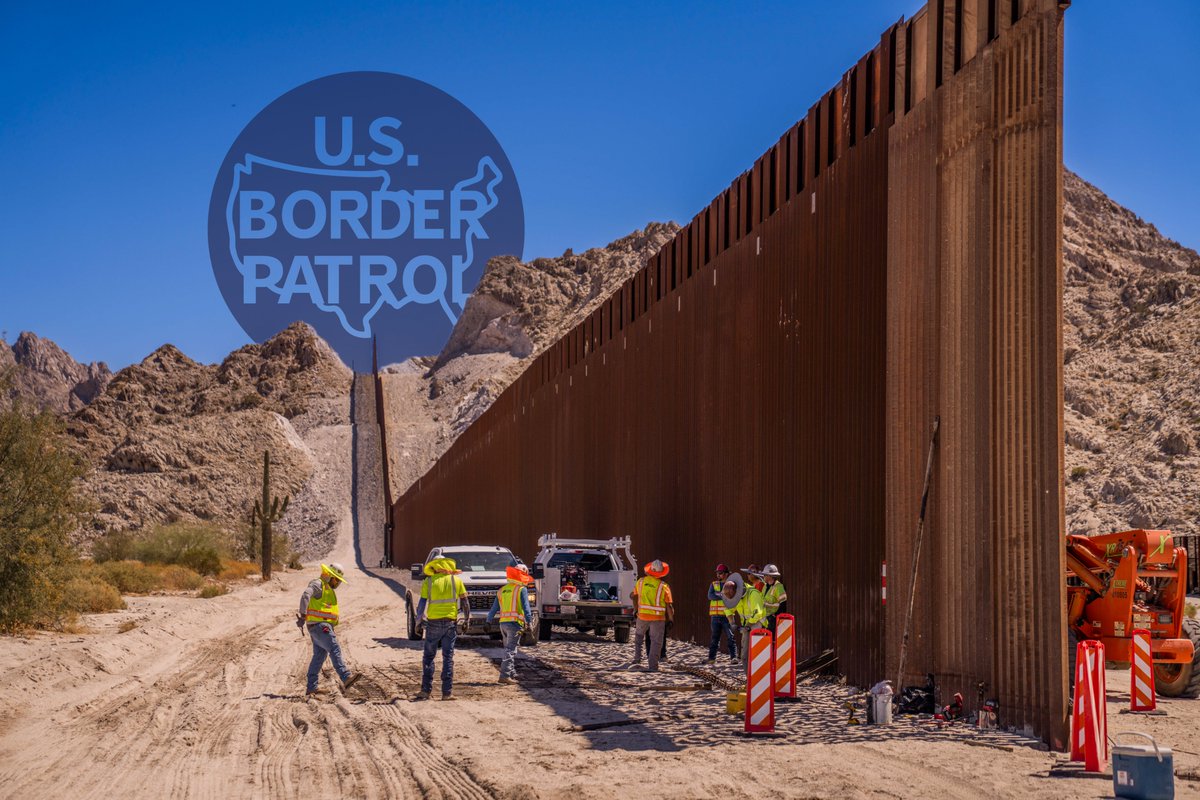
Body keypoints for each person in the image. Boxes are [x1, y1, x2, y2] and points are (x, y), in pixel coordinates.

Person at [297, 563, 361, 697]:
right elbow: (305, 595)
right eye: (336, 579)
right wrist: (303, 615)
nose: (338, 583)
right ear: (330, 576)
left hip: (317, 627)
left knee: (319, 657)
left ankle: (311, 687)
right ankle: (345, 677)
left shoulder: (327, 589)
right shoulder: (318, 584)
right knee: (334, 648)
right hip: (320, 626)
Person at [413, 556, 469, 701]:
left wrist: (418, 622)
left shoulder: (429, 581)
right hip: (450, 622)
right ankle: (447, 693)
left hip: (433, 623)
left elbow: (421, 605)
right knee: (448, 657)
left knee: (429, 657)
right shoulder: (456, 580)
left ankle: (425, 691)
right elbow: (465, 602)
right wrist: (467, 620)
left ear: (435, 567)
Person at [487, 564, 533, 684]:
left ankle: (511, 673)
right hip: (515, 624)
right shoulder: (521, 589)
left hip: (503, 624)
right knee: (510, 650)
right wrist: (530, 623)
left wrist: (488, 621)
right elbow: (526, 608)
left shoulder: (502, 590)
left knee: (510, 648)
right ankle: (505, 676)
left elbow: (493, 609)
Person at [627, 559, 673, 672]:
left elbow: (634, 596)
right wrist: (671, 619)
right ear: (661, 572)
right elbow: (669, 606)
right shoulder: (664, 586)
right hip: (658, 618)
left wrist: (635, 611)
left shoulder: (641, 582)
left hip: (642, 616)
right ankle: (653, 666)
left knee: (638, 637)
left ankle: (637, 659)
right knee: (656, 642)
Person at [725, 574, 766, 668]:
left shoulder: (753, 594)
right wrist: (732, 623)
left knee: (754, 655)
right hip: (747, 626)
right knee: (744, 657)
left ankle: (756, 679)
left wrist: (747, 627)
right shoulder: (736, 596)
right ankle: (749, 680)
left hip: (758, 624)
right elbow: (728, 609)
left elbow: (757, 614)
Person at [707, 563, 738, 663]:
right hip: (715, 616)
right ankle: (711, 658)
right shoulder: (714, 584)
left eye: (720, 573)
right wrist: (723, 595)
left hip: (727, 616)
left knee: (730, 637)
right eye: (717, 573)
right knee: (714, 638)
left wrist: (719, 594)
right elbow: (710, 596)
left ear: (726, 574)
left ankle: (734, 657)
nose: (718, 575)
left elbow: (731, 596)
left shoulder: (731, 585)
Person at [761, 563, 788, 631]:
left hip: (773, 620)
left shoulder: (779, 587)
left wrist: (776, 615)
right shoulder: (765, 586)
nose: (763, 576)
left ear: (770, 576)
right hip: (765, 618)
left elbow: (783, 604)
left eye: (765, 575)